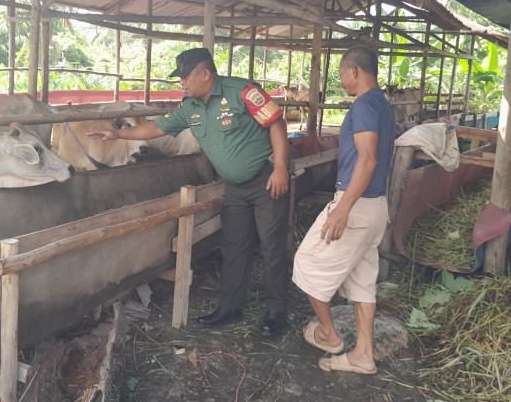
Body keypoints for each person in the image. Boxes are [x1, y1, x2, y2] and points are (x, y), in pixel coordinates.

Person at [86, 48, 291, 337]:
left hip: (266, 180)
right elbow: (156, 129)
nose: (181, 82)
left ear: (205, 74)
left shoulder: (242, 92)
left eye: (185, 77)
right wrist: (118, 135)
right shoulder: (191, 106)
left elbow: (276, 123)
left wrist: (280, 167)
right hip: (235, 187)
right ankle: (231, 308)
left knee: (271, 247)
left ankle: (276, 312)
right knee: (233, 246)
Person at [292, 45, 395, 374]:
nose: (341, 80)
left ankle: (329, 335)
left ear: (354, 71)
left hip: (357, 206)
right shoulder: (383, 105)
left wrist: (342, 209)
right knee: (363, 280)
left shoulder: (364, 104)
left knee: (305, 265)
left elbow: (368, 159)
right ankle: (363, 354)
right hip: (376, 206)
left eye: (340, 74)